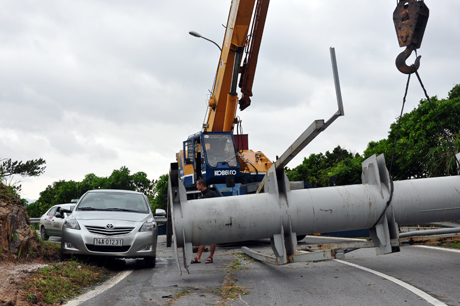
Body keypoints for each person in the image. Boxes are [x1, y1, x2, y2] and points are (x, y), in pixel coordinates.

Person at [190, 178, 219, 264]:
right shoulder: (201, 195)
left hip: (212, 219)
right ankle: (198, 258)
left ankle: (210, 257)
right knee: (203, 238)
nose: (196, 186)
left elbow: (219, 204)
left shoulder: (212, 194)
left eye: (197, 185)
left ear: (201, 185)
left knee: (213, 238)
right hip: (204, 220)